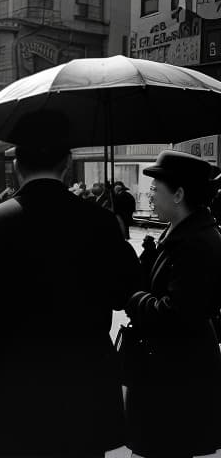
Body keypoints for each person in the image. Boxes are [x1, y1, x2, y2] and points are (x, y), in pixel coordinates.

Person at [0, 138, 141, 457]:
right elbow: (123, 294)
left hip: (8, 396)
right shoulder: (99, 222)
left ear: (16, 166)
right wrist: (115, 237)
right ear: (67, 163)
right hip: (82, 395)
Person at [124, 150, 221, 458]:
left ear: (179, 194)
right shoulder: (181, 233)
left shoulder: (197, 243)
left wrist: (134, 298)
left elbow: (175, 313)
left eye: (156, 188)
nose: (150, 194)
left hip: (176, 382)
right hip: (168, 374)